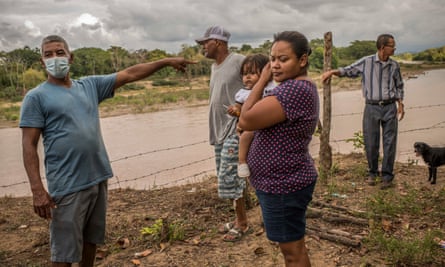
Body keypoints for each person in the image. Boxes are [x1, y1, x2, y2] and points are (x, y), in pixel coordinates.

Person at [19, 35, 194, 267]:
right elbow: (28, 144)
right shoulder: (36, 97)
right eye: (48, 54)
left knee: (91, 241)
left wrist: (165, 61)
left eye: (59, 53)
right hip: (67, 185)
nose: (54, 58)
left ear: (70, 58)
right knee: (64, 251)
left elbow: (131, 74)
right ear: (42, 62)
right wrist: (37, 189)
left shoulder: (89, 86)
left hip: (97, 178)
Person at [239, 30, 319, 267]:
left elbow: (246, 120)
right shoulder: (294, 87)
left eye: (283, 59)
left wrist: (262, 79)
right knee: (294, 247)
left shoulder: (292, 90)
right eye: (272, 59)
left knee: (293, 252)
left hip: (284, 184)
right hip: (282, 181)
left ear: (302, 60)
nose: (274, 65)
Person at [321, 33, 405, 189]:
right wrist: (332, 72)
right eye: (392, 45)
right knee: (371, 142)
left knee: (390, 142)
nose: (394, 48)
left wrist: (401, 103)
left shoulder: (394, 66)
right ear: (382, 47)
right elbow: (349, 70)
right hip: (371, 107)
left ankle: (387, 176)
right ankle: (372, 173)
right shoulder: (366, 62)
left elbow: (399, 85)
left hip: (390, 107)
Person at [195, 26, 250, 242]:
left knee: (230, 176)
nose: (202, 48)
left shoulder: (238, 60)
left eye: (204, 43)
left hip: (234, 128)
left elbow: (256, 85)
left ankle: (243, 224)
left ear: (217, 42)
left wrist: (241, 109)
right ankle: (239, 219)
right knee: (227, 174)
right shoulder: (214, 67)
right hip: (218, 129)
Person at [226, 54, 270, 178]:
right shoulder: (243, 93)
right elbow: (238, 108)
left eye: (252, 73)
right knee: (246, 135)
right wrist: (235, 110)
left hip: (265, 124)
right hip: (251, 126)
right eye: (245, 74)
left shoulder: (269, 89)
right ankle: (242, 162)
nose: (248, 77)